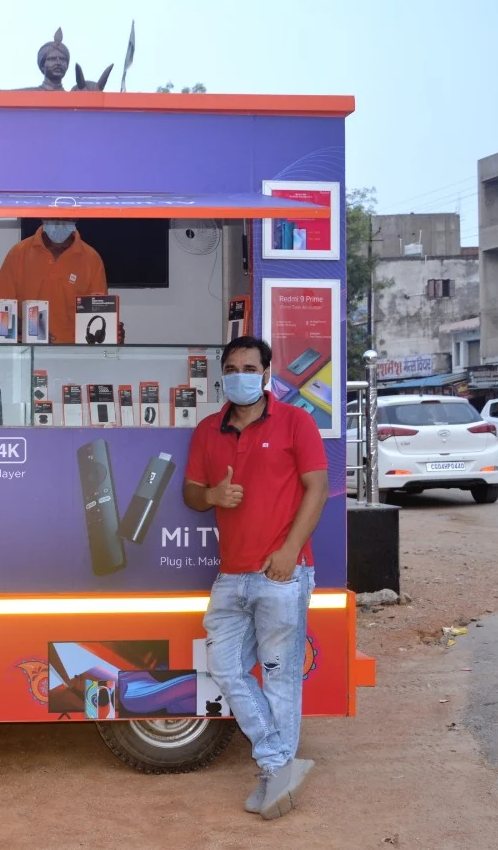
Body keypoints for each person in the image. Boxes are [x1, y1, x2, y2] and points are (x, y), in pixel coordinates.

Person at [182, 335, 328, 820]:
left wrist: (289, 552)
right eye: (231, 368)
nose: (238, 375)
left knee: (280, 677)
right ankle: (280, 763)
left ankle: (273, 773)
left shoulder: (296, 421)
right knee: (224, 668)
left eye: (249, 368)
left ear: (266, 374)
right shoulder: (208, 430)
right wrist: (212, 497)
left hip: (281, 573)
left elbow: (318, 488)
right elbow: (191, 492)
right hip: (231, 574)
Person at [0, 219, 107, 344]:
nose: (59, 221)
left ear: (76, 218)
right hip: (27, 348)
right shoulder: (18, 253)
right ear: (42, 215)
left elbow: (100, 311)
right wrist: (32, 330)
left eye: (65, 216)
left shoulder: (92, 259)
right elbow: (1, 309)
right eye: (53, 216)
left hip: (74, 350)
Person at [0, 27, 71, 92]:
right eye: (52, 59)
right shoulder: (30, 94)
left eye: (62, 59)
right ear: (42, 65)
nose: (58, 63)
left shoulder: (74, 97)